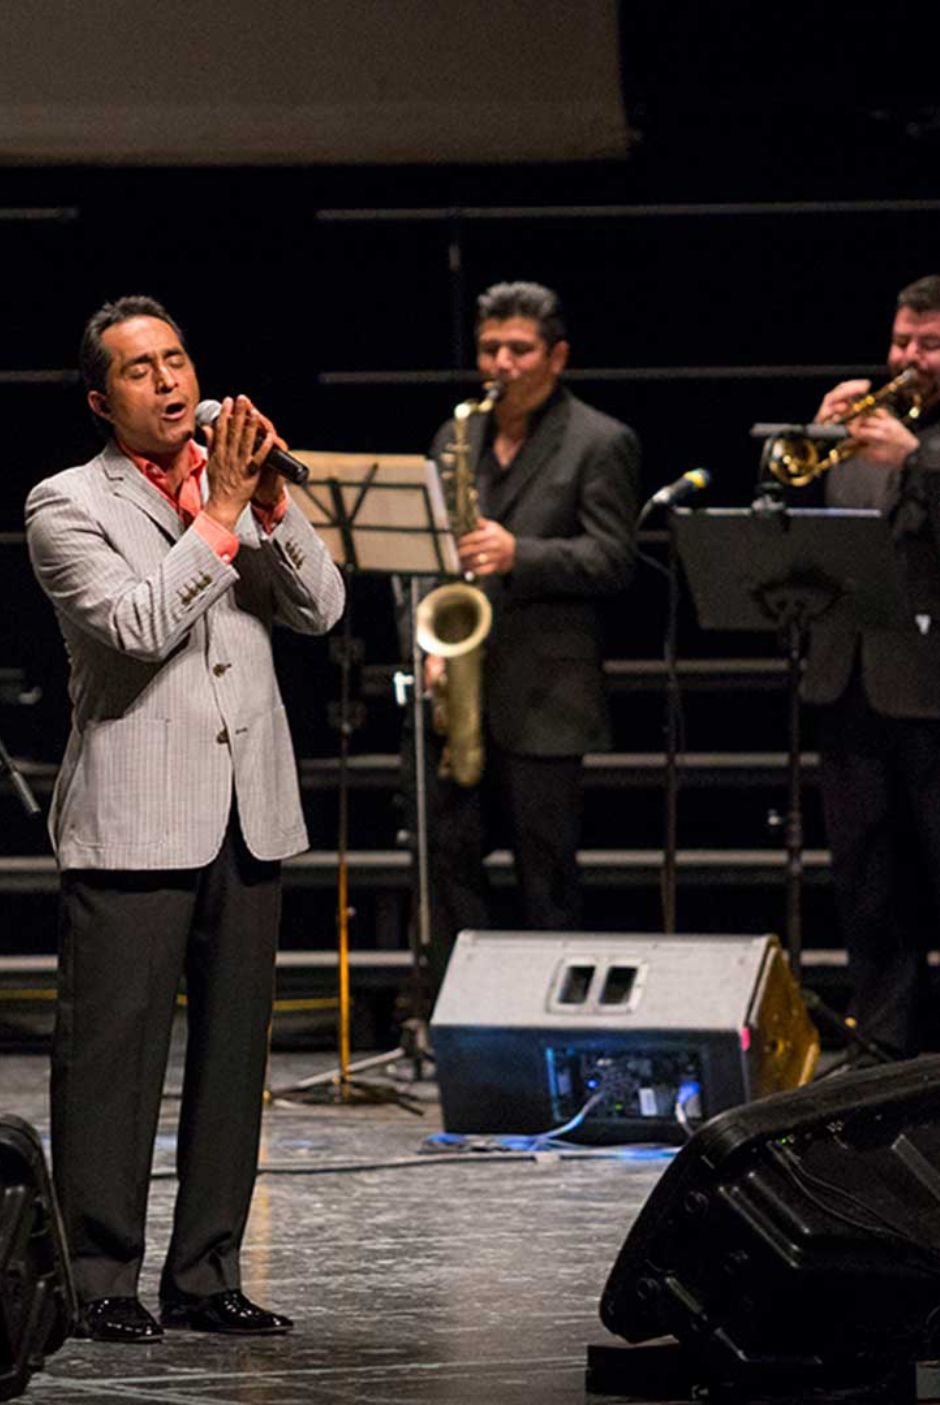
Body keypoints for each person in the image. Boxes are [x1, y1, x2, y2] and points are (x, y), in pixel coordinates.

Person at [25, 295, 344, 1342]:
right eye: (138, 369)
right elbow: (135, 625)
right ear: (100, 399)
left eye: (175, 360)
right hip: (135, 812)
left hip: (249, 810)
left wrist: (274, 507)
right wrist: (219, 519)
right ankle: (97, 1276)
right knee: (112, 1058)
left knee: (232, 1057)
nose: (167, 382)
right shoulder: (66, 502)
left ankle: (207, 1272)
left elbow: (325, 609)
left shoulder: (244, 488)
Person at [421, 281, 640, 990]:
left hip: (547, 694)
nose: (501, 363)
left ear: (557, 357)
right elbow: (429, 555)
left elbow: (614, 559)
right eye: (490, 348)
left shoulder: (600, 441)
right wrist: (427, 644)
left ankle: (556, 1017)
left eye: (519, 349)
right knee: (446, 859)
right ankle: (461, 1012)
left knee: (546, 876)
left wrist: (522, 552)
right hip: (460, 686)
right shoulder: (457, 437)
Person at [802, 273, 940, 1056]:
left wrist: (920, 459)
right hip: (852, 678)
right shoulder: (869, 429)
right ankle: (883, 1048)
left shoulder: (932, 443)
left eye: (930, 342)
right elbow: (800, 525)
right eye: (903, 340)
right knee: (867, 883)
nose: (910, 356)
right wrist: (817, 436)